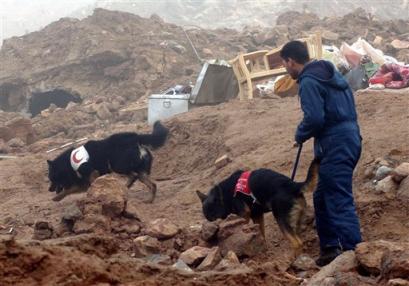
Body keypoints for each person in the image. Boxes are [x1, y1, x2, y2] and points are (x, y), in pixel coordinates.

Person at [280, 41, 362, 266]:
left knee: (337, 199)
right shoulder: (328, 71)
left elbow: (315, 118)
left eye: (285, 64)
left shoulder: (308, 81)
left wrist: (300, 134)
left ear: (290, 61)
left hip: (334, 143)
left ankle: (356, 255)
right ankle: (329, 250)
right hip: (350, 137)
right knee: (322, 196)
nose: (286, 69)